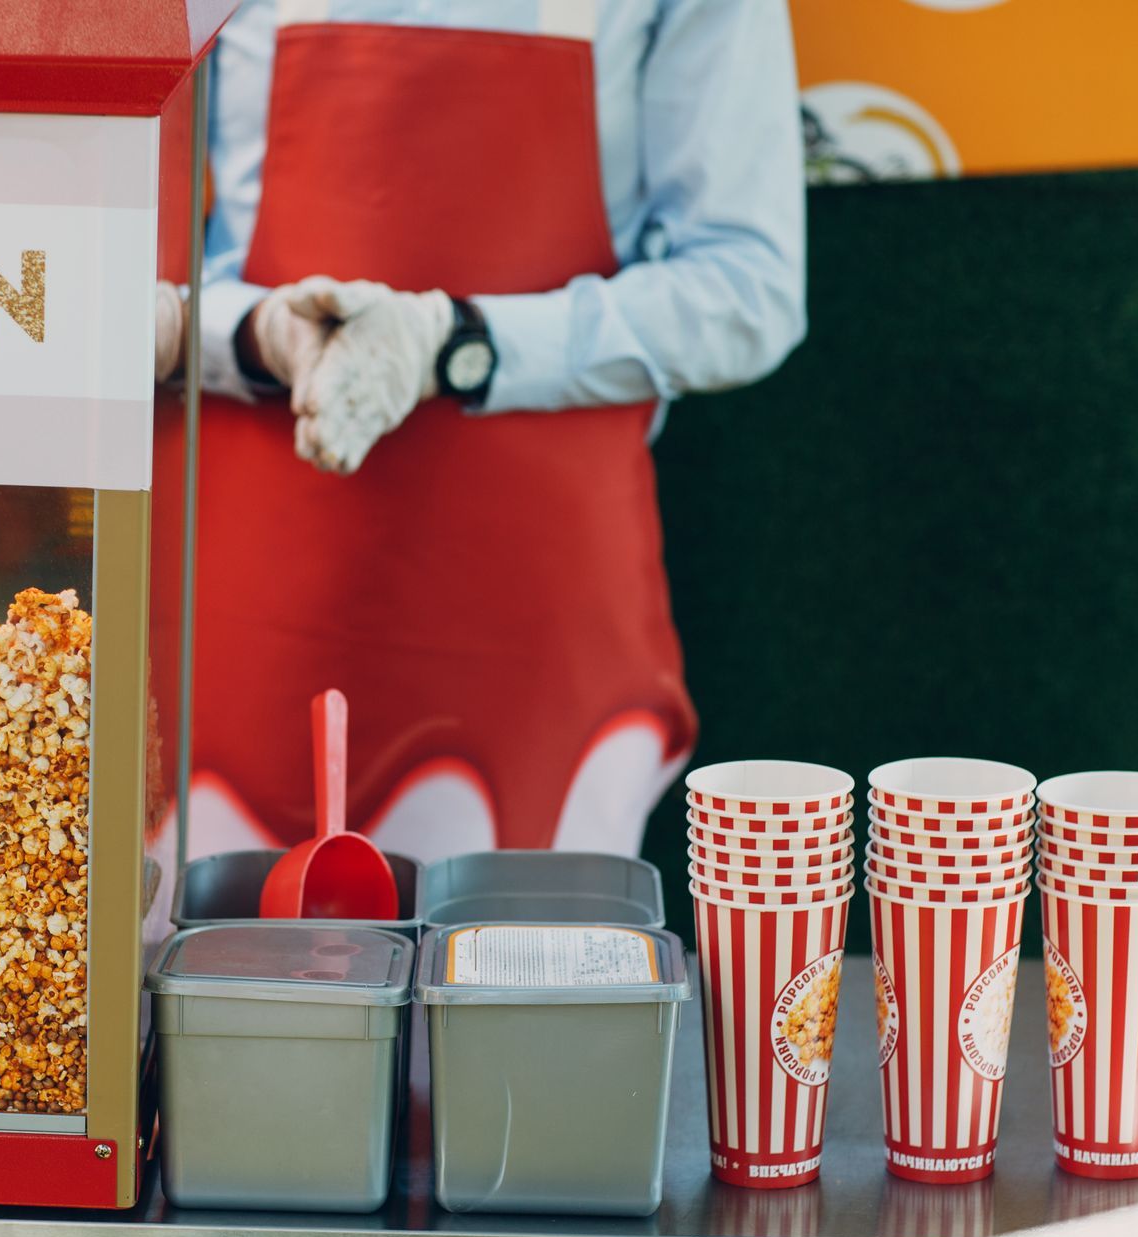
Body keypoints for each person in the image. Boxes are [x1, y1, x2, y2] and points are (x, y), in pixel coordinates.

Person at [159, 0, 806, 866]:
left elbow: (746, 288)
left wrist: (454, 343)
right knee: (229, 979)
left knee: (523, 974)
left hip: (536, 610)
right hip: (243, 598)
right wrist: (252, 332)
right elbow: (106, 242)